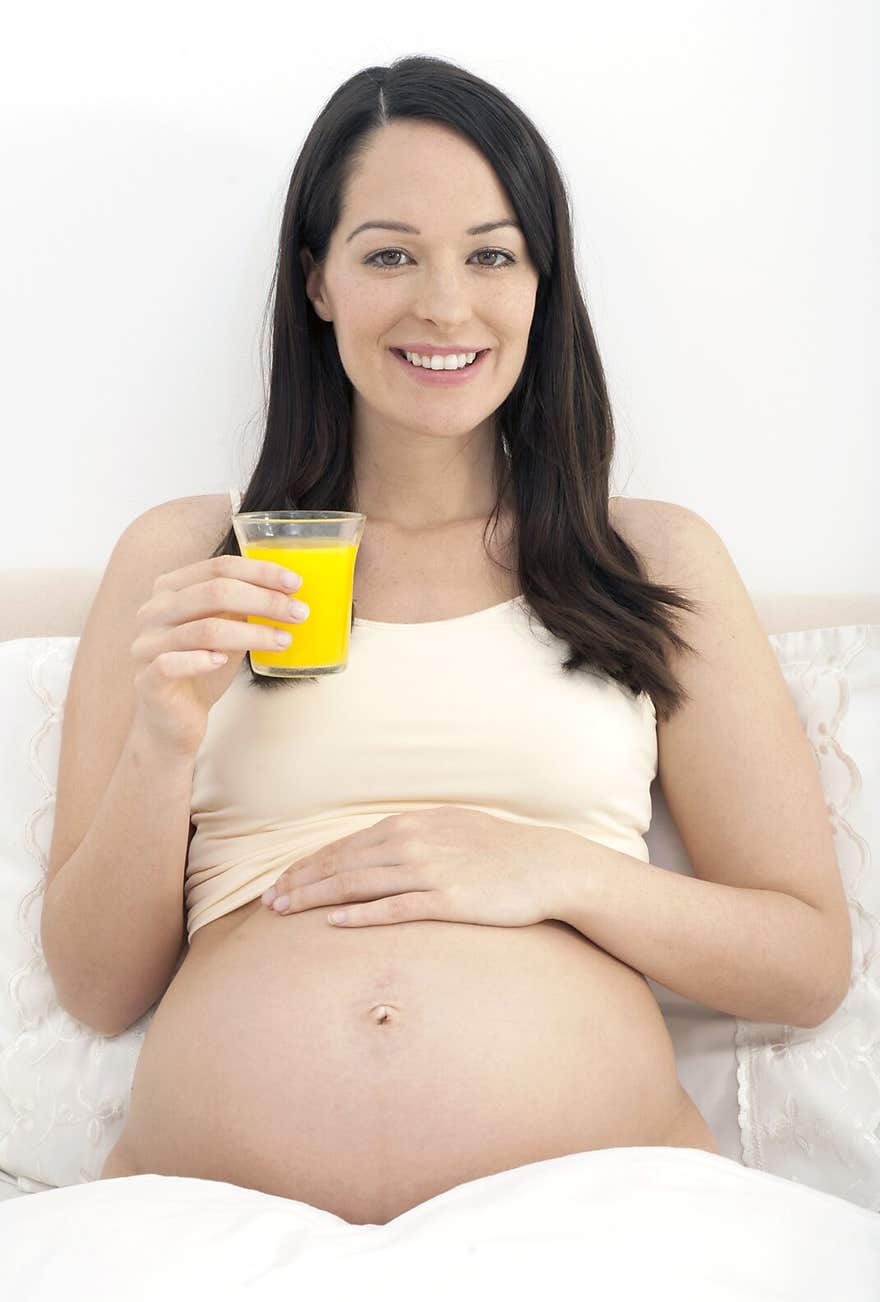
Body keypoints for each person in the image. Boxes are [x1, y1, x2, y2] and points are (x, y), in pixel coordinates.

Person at [40, 57, 850, 1227]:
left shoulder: (647, 561)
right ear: (314, 279)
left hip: (600, 1217)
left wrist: (549, 868)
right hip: (212, 1224)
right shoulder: (190, 554)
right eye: (387, 253)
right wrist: (162, 740)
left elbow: (806, 962)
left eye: (490, 253)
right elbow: (98, 987)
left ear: (540, 282)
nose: (444, 305)